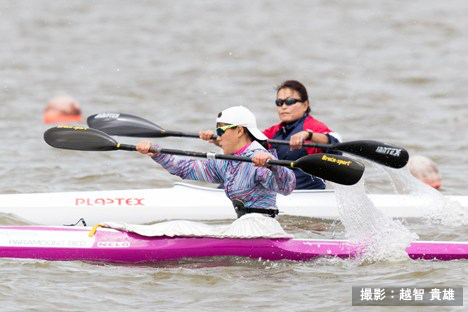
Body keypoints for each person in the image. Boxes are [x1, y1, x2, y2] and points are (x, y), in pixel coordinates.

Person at [136, 106, 296, 218]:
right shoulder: (228, 162)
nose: (217, 137)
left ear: (239, 131)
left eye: (221, 130)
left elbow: (287, 187)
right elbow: (185, 169)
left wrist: (272, 165)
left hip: (263, 229)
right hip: (244, 227)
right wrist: (156, 152)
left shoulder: (259, 160)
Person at [262, 80, 342, 189]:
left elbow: (336, 142)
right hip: (280, 194)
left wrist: (309, 135)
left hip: (309, 196)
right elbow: (247, 141)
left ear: (305, 105)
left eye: (289, 101)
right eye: (279, 102)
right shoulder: (274, 131)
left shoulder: (313, 126)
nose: (283, 107)